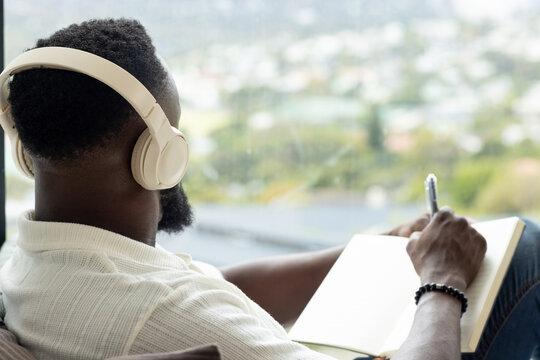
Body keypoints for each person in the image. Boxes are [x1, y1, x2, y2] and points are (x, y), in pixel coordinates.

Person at [0, 18, 537, 360]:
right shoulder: (163, 310)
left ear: (30, 153)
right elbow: (186, 306)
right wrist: (442, 281)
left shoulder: (31, 261)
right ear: (159, 156)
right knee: (526, 249)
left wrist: (376, 249)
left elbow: (218, 287)